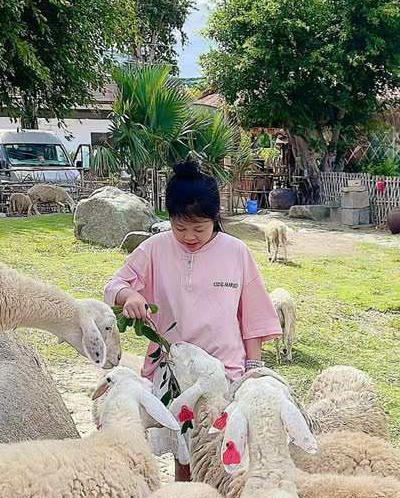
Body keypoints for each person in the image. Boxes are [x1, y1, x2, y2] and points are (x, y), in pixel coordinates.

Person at [104, 158, 281, 480]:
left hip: (225, 372)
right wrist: (130, 296)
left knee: (223, 451)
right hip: (173, 371)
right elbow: (115, 285)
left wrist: (254, 369)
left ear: (215, 219)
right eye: (179, 227)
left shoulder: (236, 252)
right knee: (183, 452)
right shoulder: (155, 249)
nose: (189, 236)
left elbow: (253, 315)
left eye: (199, 228)